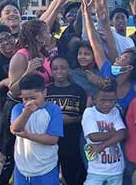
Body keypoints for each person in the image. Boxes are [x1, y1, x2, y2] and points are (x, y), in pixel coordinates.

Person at [0, 19, 54, 185]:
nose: (49, 35)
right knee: (9, 156)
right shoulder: (21, 56)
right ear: (38, 37)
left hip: (39, 109)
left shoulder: (44, 53)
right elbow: (13, 90)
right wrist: (28, 72)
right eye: (46, 32)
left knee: (28, 151)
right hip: (18, 110)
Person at [10, 73, 64, 185]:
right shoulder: (18, 109)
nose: (29, 102)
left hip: (46, 167)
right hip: (22, 167)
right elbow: (15, 129)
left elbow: (53, 139)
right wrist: (27, 111)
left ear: (44, 93)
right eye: (25, 99)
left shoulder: (53, 110)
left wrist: (28, 135)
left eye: (33, 98)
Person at [46, 56, 87, 184]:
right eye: (55, 68)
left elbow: (85, 116)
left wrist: (72, 120)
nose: (59, 71)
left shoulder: (78, 90)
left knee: (72, 174)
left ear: (69, 70)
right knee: (51, 173)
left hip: (71, 140)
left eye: (63, 68)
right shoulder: (46, 91)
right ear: (51, 72)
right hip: (50, 140)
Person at [82, 85, 127, 185]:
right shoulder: (89, 113)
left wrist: (101, 146)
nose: (107, 104)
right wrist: (112, 133)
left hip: (116, 169)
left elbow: (122, 133)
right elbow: (93, 137)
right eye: (102, 100)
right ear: (94, 99)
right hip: (96, 170)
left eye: (111, 101)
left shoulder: (115, 111)